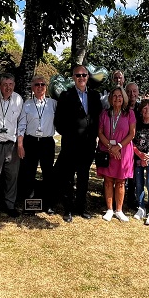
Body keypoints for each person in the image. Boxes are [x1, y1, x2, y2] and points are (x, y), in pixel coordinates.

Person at [54, 64, 103, 223]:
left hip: (88, 145)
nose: (81, 78)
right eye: (78, 75)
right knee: (68, 177)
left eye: (84, 75)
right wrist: (70, 135)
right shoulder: (65, 96)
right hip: (71, 145)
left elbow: (98, 120)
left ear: (88, 76)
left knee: (83, 177)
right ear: (73, 78)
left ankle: (80, 208)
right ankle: (67, 209)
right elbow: (59, 122)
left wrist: (93, 136)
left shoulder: (95, 96)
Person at [17, 75, 58, 209]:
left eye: (42, 84)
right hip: (31, 142)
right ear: (32, 88)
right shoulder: (27, 104)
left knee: (48, 173)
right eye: (37, 85)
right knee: (29, 172)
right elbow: (22, 125)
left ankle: (48, 203)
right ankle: (29, 203)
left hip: (47, 142)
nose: (40, 87)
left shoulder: (53, 103)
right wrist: (20, 144)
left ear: (46, 87)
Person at [97, 87, 137, 222]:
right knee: (108, 180)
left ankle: (119, 210)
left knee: (120, 181)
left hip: (123, 151)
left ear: (124, 98)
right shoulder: (104, 113)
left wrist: (118, 146)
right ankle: (109, 209)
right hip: (107, 150)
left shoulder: (129, 113)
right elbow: (100, 132)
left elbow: (132, 133)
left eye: (120, 96)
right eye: (114, 96)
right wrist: (110, 147)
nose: (117, 98)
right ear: (110, 98)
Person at [0, 73, 25, 217]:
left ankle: (10, 204)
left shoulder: (18, 99)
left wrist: (20, 143)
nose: (8, 87)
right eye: (5, 84)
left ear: (14, 85)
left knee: (12, 176)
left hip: (12, 144)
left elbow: (21, 122)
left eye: (11, 84)